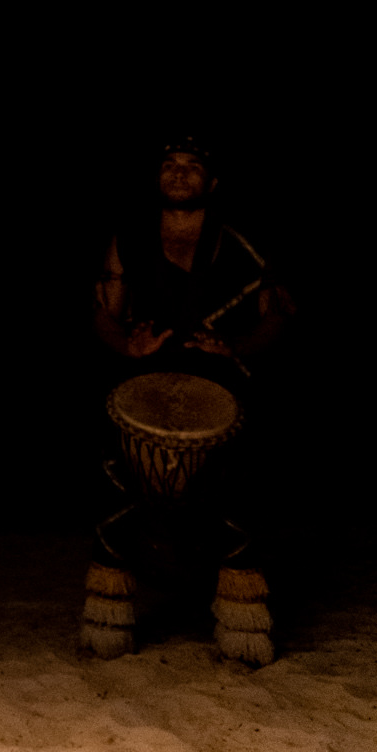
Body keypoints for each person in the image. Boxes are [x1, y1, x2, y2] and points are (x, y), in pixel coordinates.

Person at [83, 136, 292, 664]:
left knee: (235, 495)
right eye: (169, 166)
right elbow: (104, 313)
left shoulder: (240, 245)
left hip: (218, 383)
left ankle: (243, 629)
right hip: (143, 379)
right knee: (116, 491)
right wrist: (127, 344)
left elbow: (276, 315)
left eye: (191, 167)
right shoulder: (128, 238)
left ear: (211, 182)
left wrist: (233, 346)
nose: (178, 174)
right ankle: (107, 620)